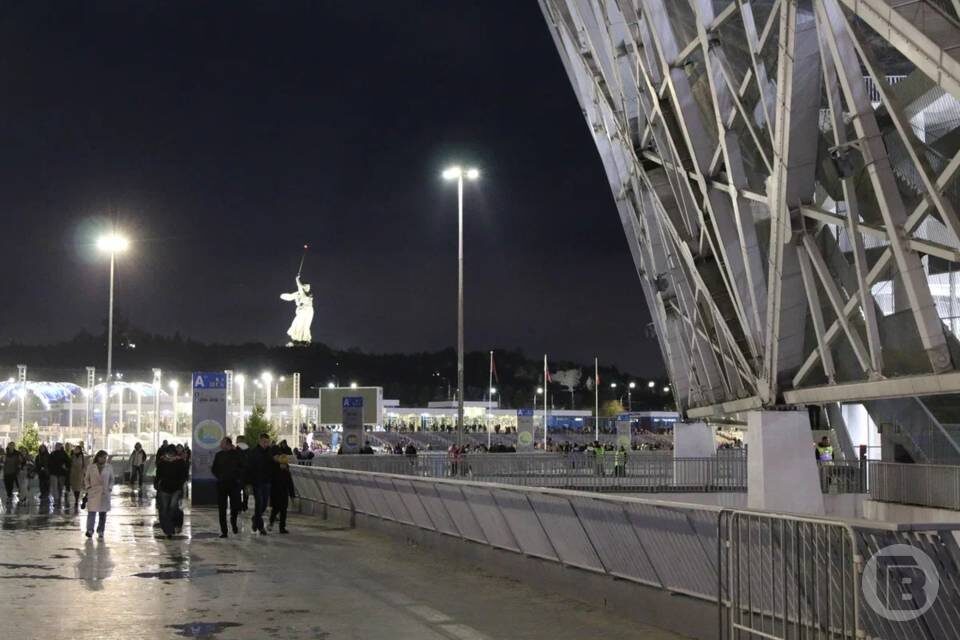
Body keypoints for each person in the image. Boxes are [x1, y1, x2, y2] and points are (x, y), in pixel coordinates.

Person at [211, 437, 244, 538]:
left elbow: (243, 467)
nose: (220, 444)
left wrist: (237, 477)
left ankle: (233, 523)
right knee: (222, 508)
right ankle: (224, 531)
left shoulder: (237, 454)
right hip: (221, 485)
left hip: (234, 485)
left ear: (228, 444)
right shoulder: (219, 455)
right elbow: (214, 468)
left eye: (222, 443)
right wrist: (219, 476)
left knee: (235, 506)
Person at [155, 445, 188, 538]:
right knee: (164, 509)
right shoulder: (162, 462)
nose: (169, 455)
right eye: (168, 453)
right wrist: (156, 483)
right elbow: (158, 474)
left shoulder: (180, 462)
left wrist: (181, 484)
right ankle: (168, 530)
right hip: (164, 488)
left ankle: (177, 522)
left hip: (176, 489)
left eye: (171, 453)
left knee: (173, 507)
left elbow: (184, 475)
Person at [248, 434, 275, 535]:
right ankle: (260, 526)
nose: (266, 444)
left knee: (264, 505)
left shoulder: (270, 452)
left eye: (267, 442)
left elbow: (273, 464)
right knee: (259, 503)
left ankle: (255, 519)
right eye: (264, 442)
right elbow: (249, 468)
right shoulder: (254, 452)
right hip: (257, 482)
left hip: (267, 482)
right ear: (259, 441)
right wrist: (248, 483)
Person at [83, 450, 114, 539]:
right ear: (98, 457)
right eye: (103, 457)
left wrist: (110, 488)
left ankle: (101, 530)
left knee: (102, 514)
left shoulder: (109, 467)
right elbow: (86, 479)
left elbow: (112, 479)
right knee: (91, 512)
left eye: (105, 458)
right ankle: (89, 530)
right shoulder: (91, 467)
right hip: (93, 492)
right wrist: (88, 487)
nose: (104, 459)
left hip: (104, 493)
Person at [269, 443, 294, 534]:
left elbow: (290, 483)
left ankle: (282, 527)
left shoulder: (286, 471)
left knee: (283, 511)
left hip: (284, 493)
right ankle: (271, 522)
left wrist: (292, 495)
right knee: (275, 509)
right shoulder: (273, 468)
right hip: (275, 492)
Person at [49, 443, 71, 507]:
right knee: (55, 487)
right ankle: (56, 500)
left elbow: (69, 462)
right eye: (56, 446)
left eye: (58, 446)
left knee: (60, 488)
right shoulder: (52, 454)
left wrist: (65, 467)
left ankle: (58, 500)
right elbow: (49, 463)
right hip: (54, 473)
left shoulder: (64, 454)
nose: (57, 447)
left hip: (62, 474)